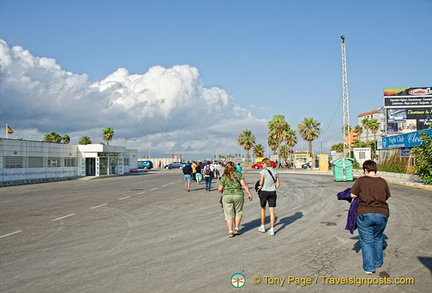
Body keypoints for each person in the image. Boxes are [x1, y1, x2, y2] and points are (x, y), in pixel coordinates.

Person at [350, 160, 391, 275]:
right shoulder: (383, 182)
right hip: (382, 213)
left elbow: (353, 195)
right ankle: (378, 262)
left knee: (367, 241)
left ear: (365, 170)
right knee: (377, 238)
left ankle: (369, 267)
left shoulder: (361, 180)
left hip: (365, 213)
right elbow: (386, 196)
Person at [218, 162, 253, 238]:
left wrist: (224, 192)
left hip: (227, 196)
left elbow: (220, 188)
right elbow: (244, 184)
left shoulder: (224, 176)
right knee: (238, 211)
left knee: (228, 214)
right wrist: (249, 193)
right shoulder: (238, 174)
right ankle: (237, 228)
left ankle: (230, 231)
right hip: (238, 194)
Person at [257, 158, 280, 236]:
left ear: (266, 164)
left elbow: (261, 183)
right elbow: (278, 184)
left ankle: (262, 226)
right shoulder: (275, 171)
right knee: (272, 211)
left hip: (264, 191)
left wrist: (259, 186)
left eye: (263, 163)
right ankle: (272, 229)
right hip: (272, 192)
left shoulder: (263, 171)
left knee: (263, 209)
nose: (262, 165)